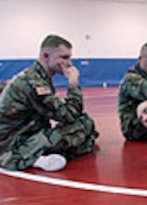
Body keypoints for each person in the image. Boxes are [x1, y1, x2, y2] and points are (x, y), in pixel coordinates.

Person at [0, 35, 99, 172]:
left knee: (84, 123)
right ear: (46, 56)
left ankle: (39, 154)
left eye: (69, 58)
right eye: (64, 58)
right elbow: (69, 116)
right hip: (12, 145)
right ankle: (28, 158)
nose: (69, 63)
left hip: (29, 134)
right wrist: (73, 83)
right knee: (82, 125)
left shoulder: (39, 76)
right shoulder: (34, 83)